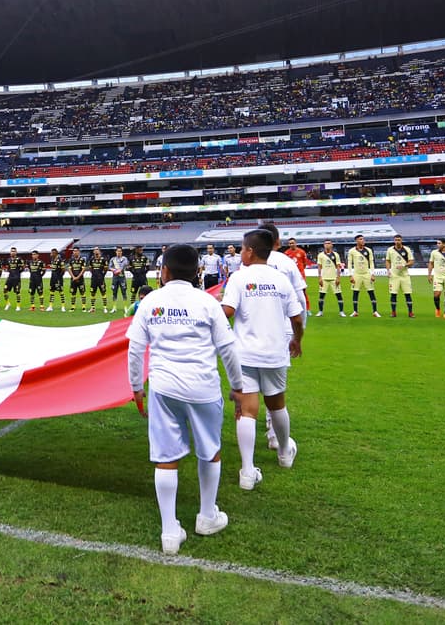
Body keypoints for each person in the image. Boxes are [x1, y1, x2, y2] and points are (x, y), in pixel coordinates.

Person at [127, 243, 243, 554]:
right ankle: (207, 516)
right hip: (203, 387)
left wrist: (136, 387)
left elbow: (135, 349)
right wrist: (238, 386)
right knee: (210, 450)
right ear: (198, 272)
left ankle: (169, 532)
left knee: (166, 455)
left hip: (164, 388)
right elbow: (228, 349)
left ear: (163, 271)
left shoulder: (151, 301)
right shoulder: (207, 302)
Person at [221, 230, 303, 491]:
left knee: (247, 410)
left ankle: (247, 471)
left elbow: (228, 311)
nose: (240, 253)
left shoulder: (239, 277)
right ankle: (284, 453)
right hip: (274, 352)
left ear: (250, 251)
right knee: (277, 405)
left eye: (242, 248)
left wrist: (212, 310)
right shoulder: (280, 279)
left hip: (244, 353)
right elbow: (297, 317)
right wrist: (297, 340)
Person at [346, 235, 381, 317]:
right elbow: (349, 263)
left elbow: (371, 262)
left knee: (371, 292)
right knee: (355, 292)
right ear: (356, 241)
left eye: (363, 239)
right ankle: (355, 311)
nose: (363, 240)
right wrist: (350, 275)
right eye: (360, 239)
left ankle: (375, 311)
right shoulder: (352, 251)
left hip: (366, 274)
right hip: (357, 274)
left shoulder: (368, 250)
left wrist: (372, 274)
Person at [385, 234, 415, 318]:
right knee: (393, 294)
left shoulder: (407, 249)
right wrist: (388, 271)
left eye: (399, 240)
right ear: (394, 241)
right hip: (394, 276)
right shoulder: (390, 250)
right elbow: (387, 261)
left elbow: (411, 262)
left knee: (407, 294)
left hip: (405, 276)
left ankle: (410, 312)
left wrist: (404, 265)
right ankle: (393, 312)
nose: (397, 241)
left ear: (401, 240)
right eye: (396, 240)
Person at [315, 240, 345, 317]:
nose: (327, 245)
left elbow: (338, 267)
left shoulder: (336, 255)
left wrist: (338, 278)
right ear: (324, 245)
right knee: (321, 295)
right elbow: (319, 267)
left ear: (331, 245)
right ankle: (320, 311)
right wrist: (320, 278)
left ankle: (341, 312)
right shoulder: (320, 255)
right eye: (326, 243)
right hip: (324, 278)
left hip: (334, 278)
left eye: (329, 243)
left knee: (339, 295)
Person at [109, 246, 130, 314]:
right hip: (115, 278)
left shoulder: (124, 258)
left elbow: (124, 265)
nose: (119, 252)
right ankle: (114, 307)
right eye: (118, 251)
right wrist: (114, 270)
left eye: (120, 251)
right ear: (116, 252)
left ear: (122, 252)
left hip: (122, 277)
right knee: (114, 292)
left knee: (124, 292)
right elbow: (109, 267)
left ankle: (125, 307)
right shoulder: (113, 259)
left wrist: (119, 270)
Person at [88, 247, 109, 313]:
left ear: (99, 251)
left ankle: (105, 308)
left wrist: (102, 275)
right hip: (94, 279)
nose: (96, 251)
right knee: (92, 293)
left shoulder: (103, 259)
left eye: (97, 250)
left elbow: (106, 268)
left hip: (101, 279)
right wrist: (94, 274)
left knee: (103, 292)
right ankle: (92, 308)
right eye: (95, 250)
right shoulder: (91, 259)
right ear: (93, 251)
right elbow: (90, 268)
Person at [3, 247, 25, 311]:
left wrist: (17, 273)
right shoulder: (8, 259)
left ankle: (18, 306)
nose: (13, 252)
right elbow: (7, 267)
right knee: (5, 290)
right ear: (10, 252)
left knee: (17, 291)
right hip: (10, 277)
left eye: (14, 251)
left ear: (16, 252)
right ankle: (8, 304)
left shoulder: (19, 259)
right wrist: (10, 271)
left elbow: (23, 268)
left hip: (17, 278)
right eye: (12, 251)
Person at [47, 247, 66, 312]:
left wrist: (59, 277)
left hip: (58, 278)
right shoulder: (52, 259)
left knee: (61, 292)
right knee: (52, 292)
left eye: (52, 253)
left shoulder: (60, 260)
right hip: (53, 278)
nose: (51, 254)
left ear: (55, 253)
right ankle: (50, 306)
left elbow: (63, 270)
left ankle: (63, 307)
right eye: (51, 253)